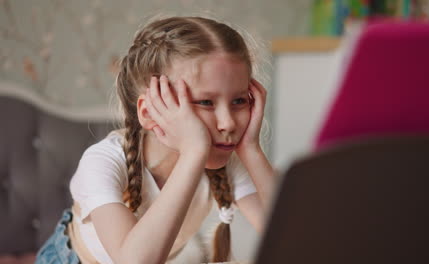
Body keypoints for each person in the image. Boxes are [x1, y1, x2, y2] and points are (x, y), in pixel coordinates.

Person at [35, 15, 275, 264]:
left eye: (239, 101)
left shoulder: (225, 161)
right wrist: (193, 152)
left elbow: (295, 235)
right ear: (150, 112)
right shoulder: (102, 161)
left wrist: (251, 149)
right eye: (205, 102)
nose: (228, 123)